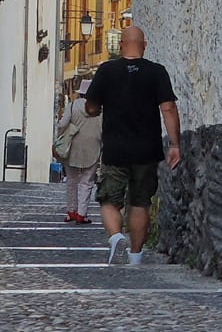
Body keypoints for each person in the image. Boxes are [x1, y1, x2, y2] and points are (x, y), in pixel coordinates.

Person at [85, 24, 181, 266]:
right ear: (145, 46)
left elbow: (91, 107)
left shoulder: (107, 71)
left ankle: (116, 237)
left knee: (109, 200)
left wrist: (98, 107)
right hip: (147, 150)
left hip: (116, 149)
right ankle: (136, 257)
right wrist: (175, 144)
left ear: (120, 46)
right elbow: (168, 108)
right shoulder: (157, 72)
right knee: (140, 202)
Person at [57, 86, 101, 224]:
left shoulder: (72, 106)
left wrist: (59, 137)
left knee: (71, 180)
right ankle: (82, 214)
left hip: (72, 148)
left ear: (81, 93)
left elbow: (63, 124)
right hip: (93, 147)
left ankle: (71, 212)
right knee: (87, 181)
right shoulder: (101, 108)